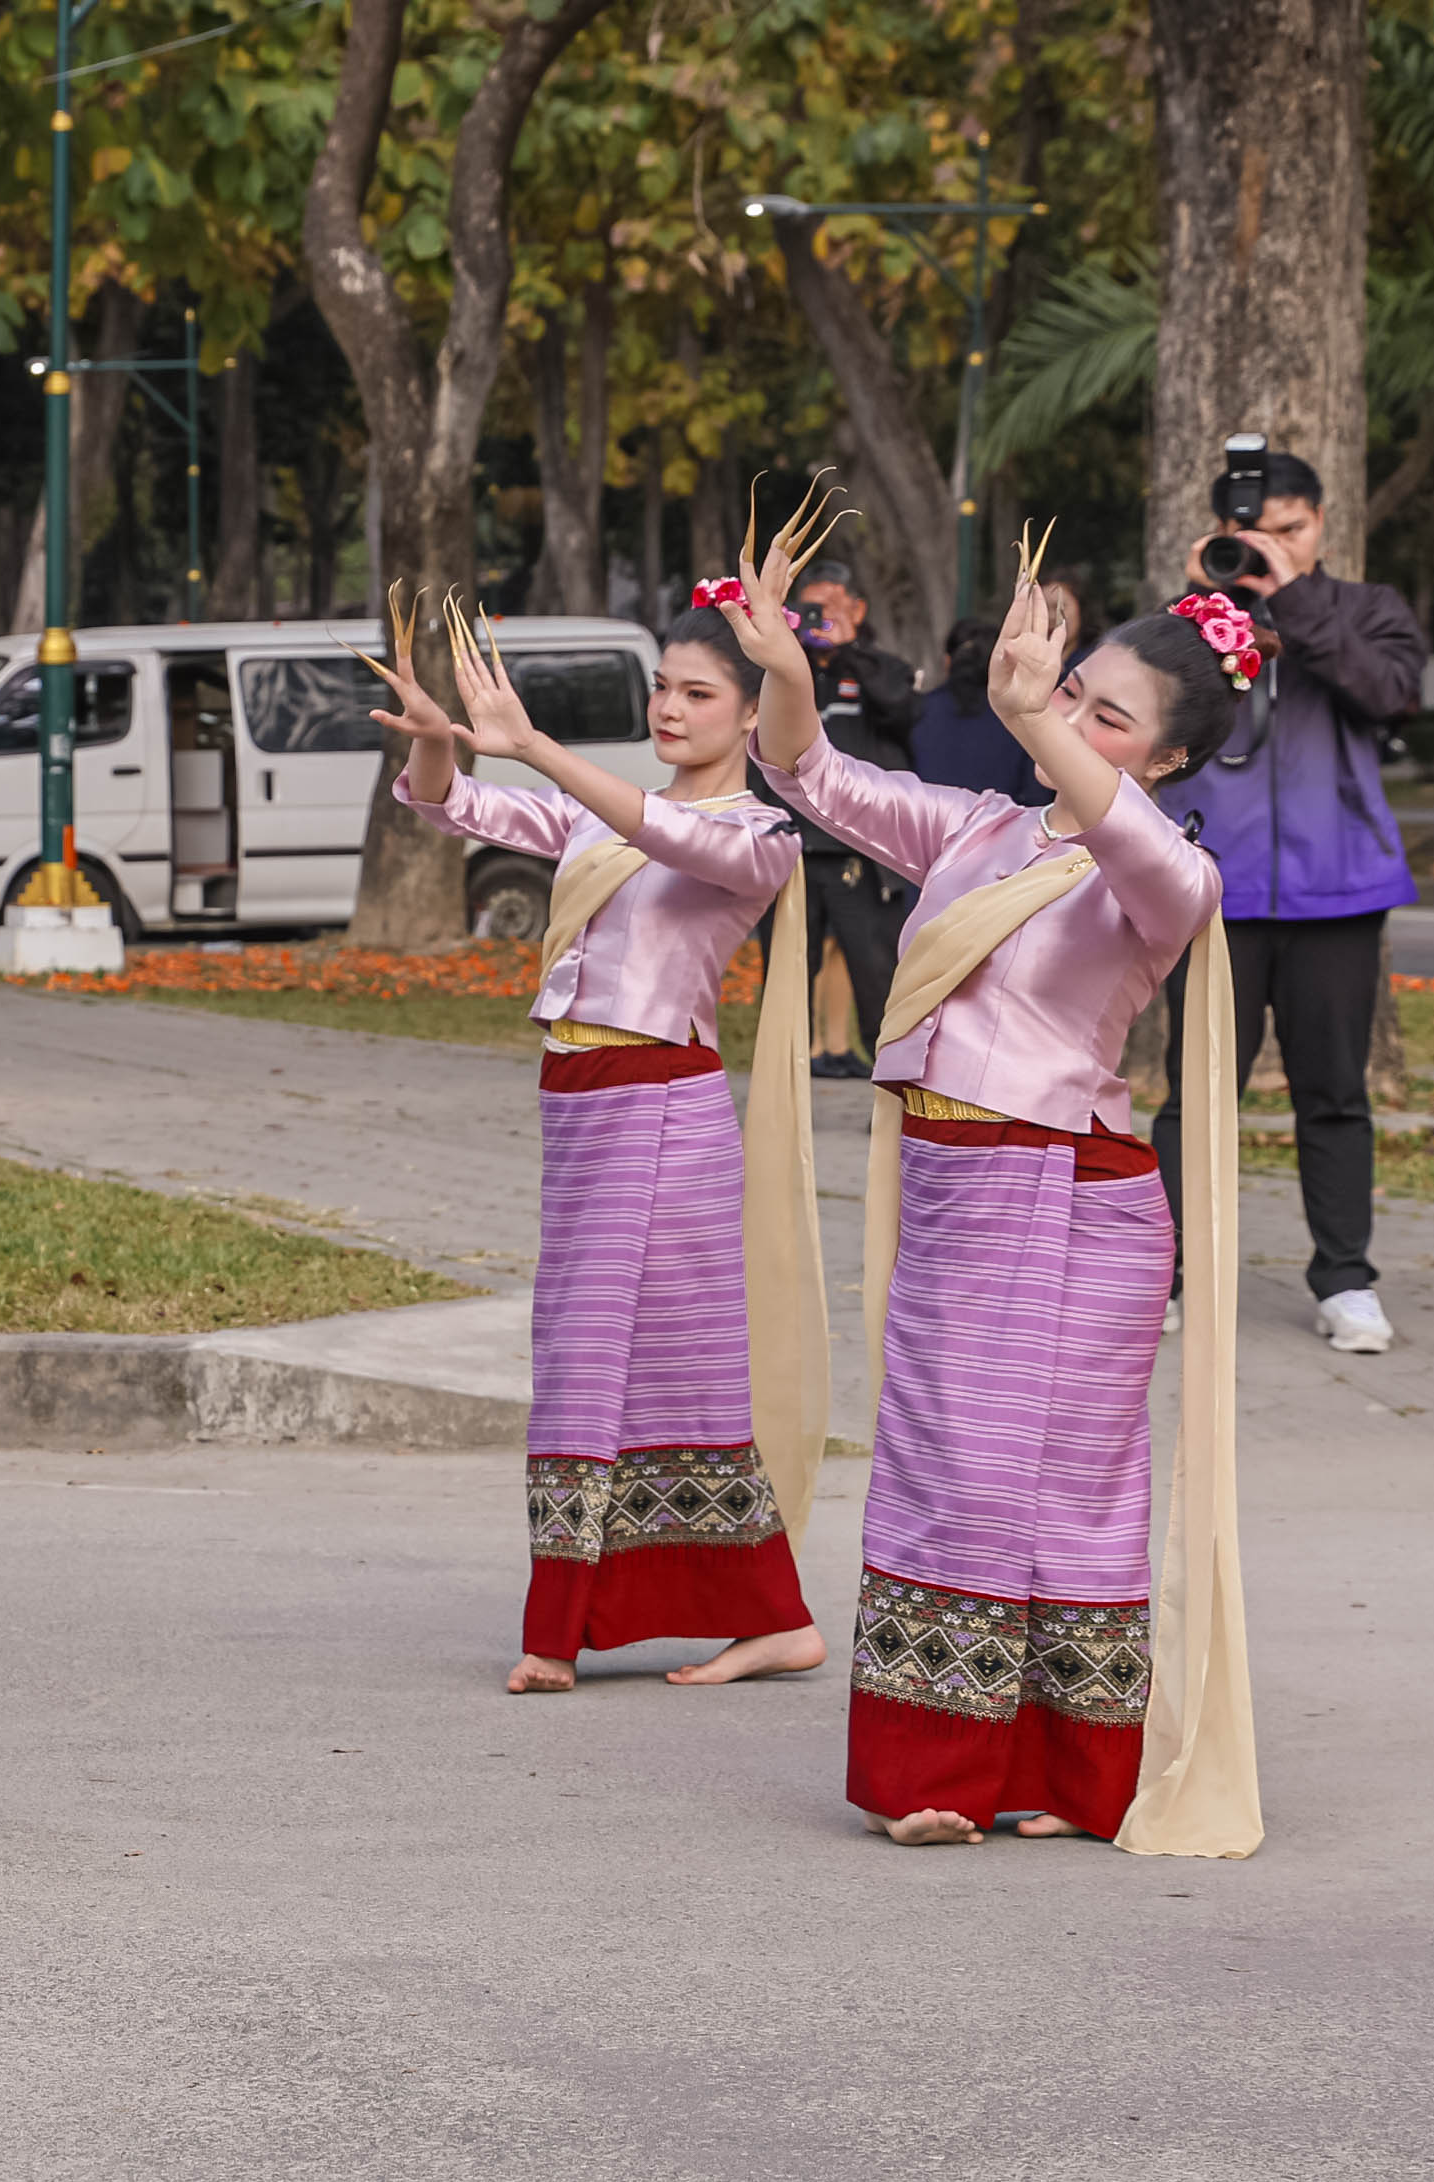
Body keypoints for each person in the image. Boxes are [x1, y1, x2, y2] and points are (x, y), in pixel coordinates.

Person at [740, 521, 1257, 1854]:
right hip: (959, 1184)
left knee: (1053, 1485)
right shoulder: (979, 828)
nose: (1070, 720)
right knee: (943, 1467)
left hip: (1072, 1192)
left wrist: (1032, 717)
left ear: (1171, 759)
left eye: (1109, 718)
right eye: (1071, 692)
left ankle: (1060, 1777)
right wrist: (784, 664)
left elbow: (1139, 853)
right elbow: (809, 775)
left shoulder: (1168, 871)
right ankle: (956, 1767)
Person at [372, 582, 829, 1695]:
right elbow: (457, 808)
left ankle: (567, 1631)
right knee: (641, 1367)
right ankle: (769, 1618)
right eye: (662, 687)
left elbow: (660, 832)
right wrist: (437, 741)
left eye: (699, 693)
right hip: (581, 1103)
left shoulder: (760, 834)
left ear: (754, 709)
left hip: (662, 1105)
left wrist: (534, 744)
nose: (669, 707)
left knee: (621, 1365)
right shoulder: (607, 809)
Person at [1152, 447, 1428, 1357]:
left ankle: (1346, 1280)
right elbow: (1129, 713)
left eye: (1291, 530)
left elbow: (1391, 695)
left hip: (1338, 890)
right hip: (1211, 890)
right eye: (1254, 534)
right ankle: (1164, 1274)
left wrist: (1295, 599)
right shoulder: (1192, 618)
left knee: (1335, 1093)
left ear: (1320, 525)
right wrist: (1199, 612)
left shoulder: (1366, 608)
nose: (1271, 547)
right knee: (1196, 1093)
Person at [758, 557, 921, 1075]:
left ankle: (895, 1082)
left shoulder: (881, 668)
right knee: (786, 975)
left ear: (858, 609)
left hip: (860, 850)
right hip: (791, 847)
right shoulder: (782, 670)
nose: (820, 618)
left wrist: (849, 650)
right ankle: (783, 1082)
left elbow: (903, 712)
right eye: (811, 608)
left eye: (831, 607)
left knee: (877, 975)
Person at [907, 616, 1055, 806]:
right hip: (1000, 822)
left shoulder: (915, 711)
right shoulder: (1022, 720)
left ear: (947, 661)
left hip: (924, 820)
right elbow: (1037, 798)